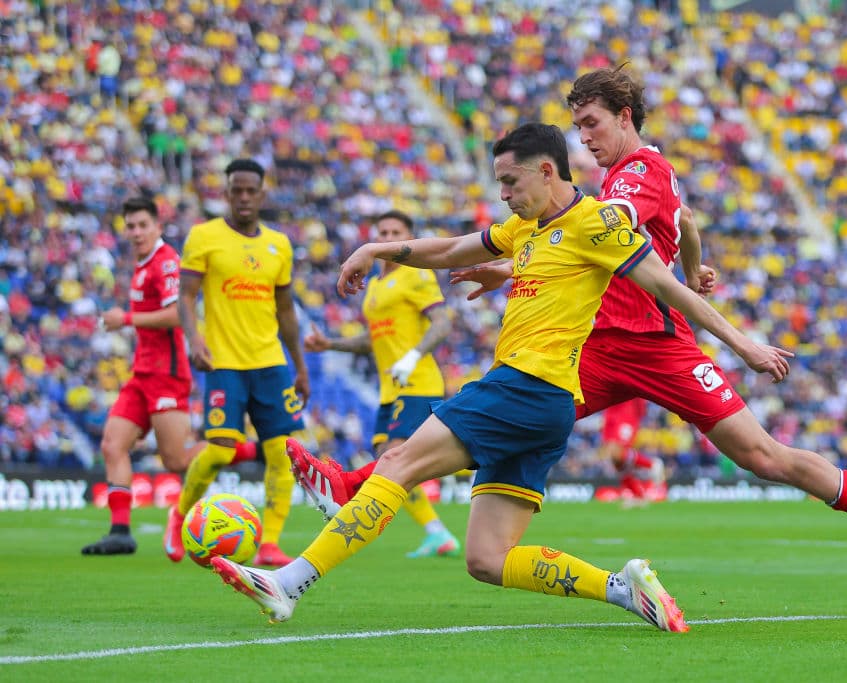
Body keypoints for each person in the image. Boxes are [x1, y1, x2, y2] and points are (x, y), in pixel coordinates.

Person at [306, 66, 847, 599]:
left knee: (762, 456)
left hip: (661, 348)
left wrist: (729, 332)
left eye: (592, 126)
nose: (585, 140)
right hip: (595, 350)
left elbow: (607, 226)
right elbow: (683, 223)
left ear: (626, 117)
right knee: (494, 419)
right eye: (577, 129)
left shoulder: (638, 175)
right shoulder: (630, 179)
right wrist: (693, 269)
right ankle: (358, 483)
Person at [207, 122, 794, 631]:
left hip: (524, 385)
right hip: (548, 407)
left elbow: (669, 288)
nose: (504, 195)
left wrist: (742, 345)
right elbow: (451, 250)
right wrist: (376, 249)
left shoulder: (597, 224)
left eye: (510, 183)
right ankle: (624, 588)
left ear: (546, 171)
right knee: (488, 559)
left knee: (397, 464)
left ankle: (289, 583)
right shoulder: (527, 229)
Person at [168, 158, 310, 567]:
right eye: (236, 190)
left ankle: (271, 543)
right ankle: (179, 516)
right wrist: (194, 338)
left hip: (270, 362)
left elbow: (286, 310)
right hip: (223, 361)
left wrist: (299, 366)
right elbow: (186, 296)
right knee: (219, 450)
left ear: (262, 194)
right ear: (226, 192)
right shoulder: (204, 236)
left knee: (283, 453)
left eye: (251, 190)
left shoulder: (279, 245)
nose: (244, 197)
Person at [302, 209, 462, 558]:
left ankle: (343, 501)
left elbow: (441, 324)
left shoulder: (416, 277)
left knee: (395, 457)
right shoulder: (374, 286)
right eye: (383, 231)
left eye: (396, 232)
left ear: (408, 239)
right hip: (390, 387)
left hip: (418, 382)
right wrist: (330, 344)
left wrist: (412, 356)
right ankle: (437, 533)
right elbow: (371, 340)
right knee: (387, 460)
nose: (388, 238)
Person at [80, 197, 193, 555]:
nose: (136, 232)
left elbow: (177, 315)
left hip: (167, 374)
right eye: (130, 226)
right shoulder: (142, 264)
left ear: (158, 226)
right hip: (142, 374)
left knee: (175, 460)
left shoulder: (166, 263)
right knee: (113, 444)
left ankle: (244, 450)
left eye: (143, 224)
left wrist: (125, 319)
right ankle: (120, 531)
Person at [597, 397, 665, 502]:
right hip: (610, 411)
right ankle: (638, 495)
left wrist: (639, 412)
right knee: (615, 460)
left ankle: (651, 464)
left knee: (616, 453)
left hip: (626, 412)